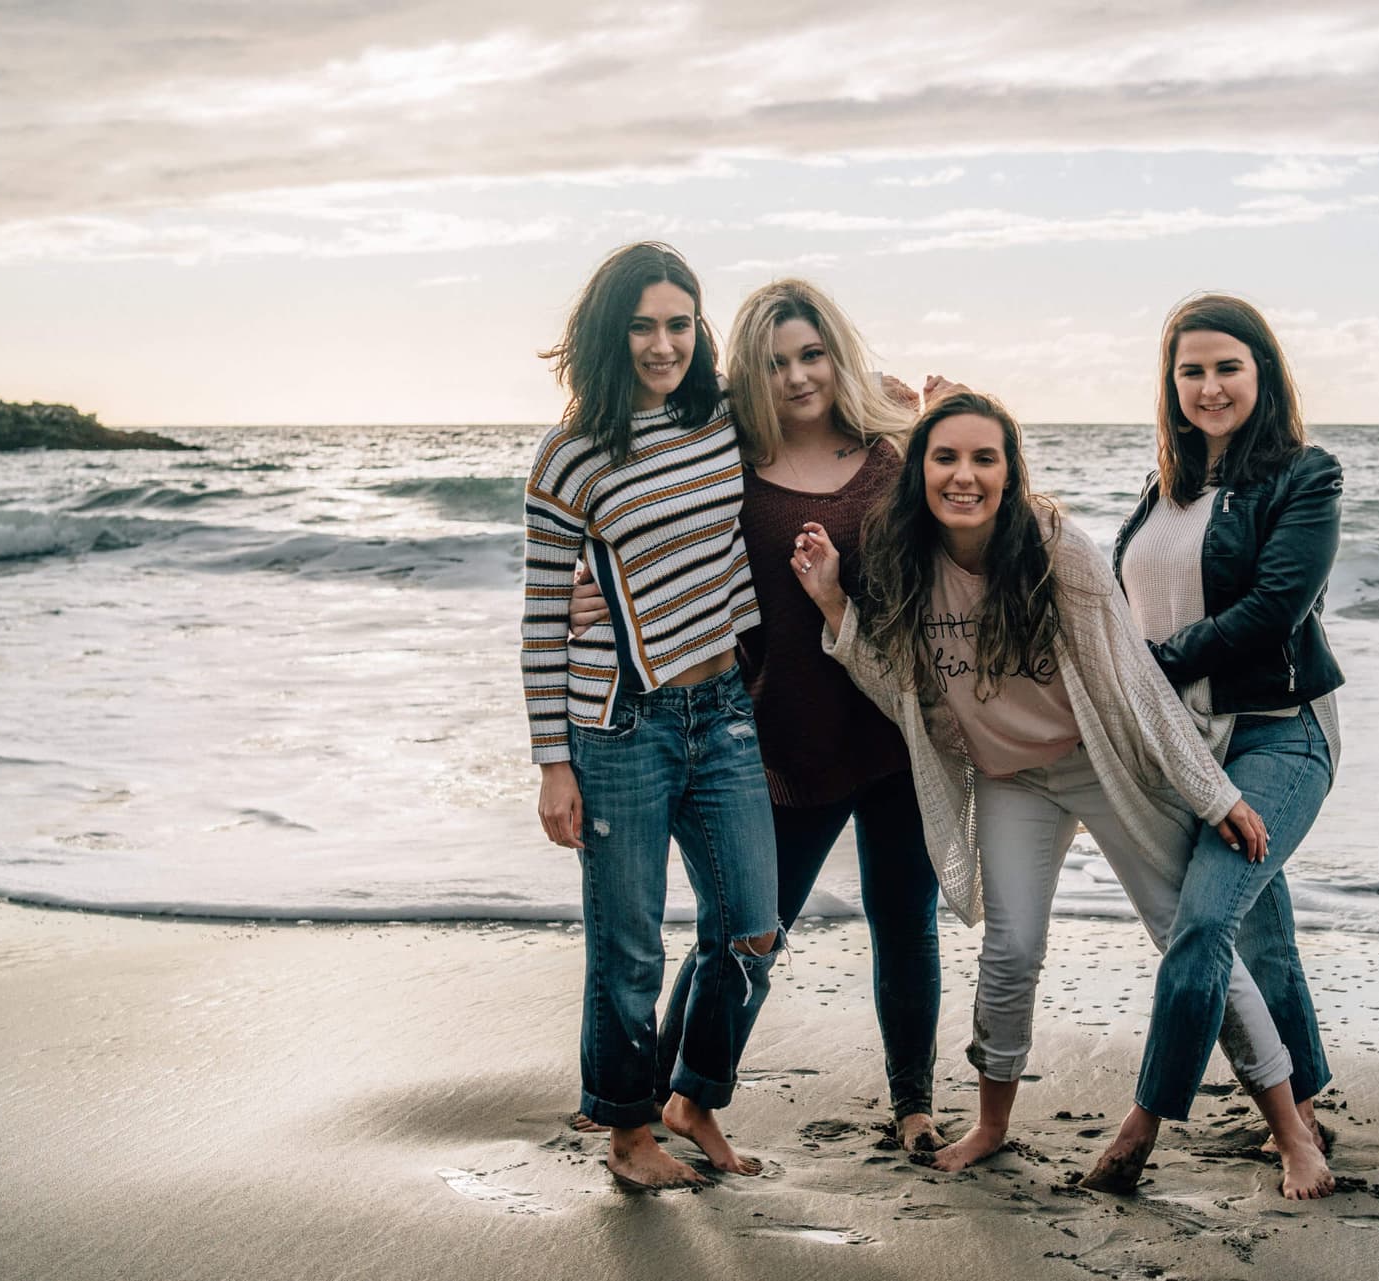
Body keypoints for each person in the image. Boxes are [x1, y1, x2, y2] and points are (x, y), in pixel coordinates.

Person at [789, 390, 1285, 1174]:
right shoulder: (907, 564)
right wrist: (834, 605)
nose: (964, 475)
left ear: (1011, 471)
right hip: (1010, 781)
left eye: (985, 457)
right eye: (945, 456)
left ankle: (1291, 1128)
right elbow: (906, 695)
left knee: (1185, 934)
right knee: (1011, 946)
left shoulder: (1060, 550)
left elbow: (1134, 687)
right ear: (919, 468)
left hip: (1101, 764)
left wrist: (1211, 792)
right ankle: (990, 1125)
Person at [568, 279, 949, 1152]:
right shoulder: (726, 459)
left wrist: (937, 402)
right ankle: (660, 1090)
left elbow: (968, 523)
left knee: (906, 921)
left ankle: (914, 1103)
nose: (797, 376)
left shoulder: (892, 456)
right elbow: (653, 545)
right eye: (775, 362)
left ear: (837, 355)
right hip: (781, 739)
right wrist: (596, 600)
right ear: (749, 373)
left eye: (812, 354)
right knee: (742, 934)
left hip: (896, 730)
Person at [524, 241, 781, 1190]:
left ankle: (692, 1096)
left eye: (679, 323)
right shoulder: (568, 457)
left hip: (721, 712)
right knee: (629, 946)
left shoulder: (719, 419)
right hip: (618, 726)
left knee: (752, 924)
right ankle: (630, 1138)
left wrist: (897, 403)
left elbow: (810, 406)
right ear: (610, 332)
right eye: (643, 325)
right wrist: (552, 762)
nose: (663, 343)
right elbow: (542, 615)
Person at [1082, 293, 1344, 1199]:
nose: (1209, 385)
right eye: (1190, 369)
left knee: (1205, 923)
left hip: (1279, 733)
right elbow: (1119, 603)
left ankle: (1144, 1120)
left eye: (1227, 366)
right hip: (1183, 746)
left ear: (1262, 372)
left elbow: (1275, 607)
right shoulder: (1162, 486)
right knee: (1261, 936)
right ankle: (1302, 1108)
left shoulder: (1308, 476)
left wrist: (1154, 665)